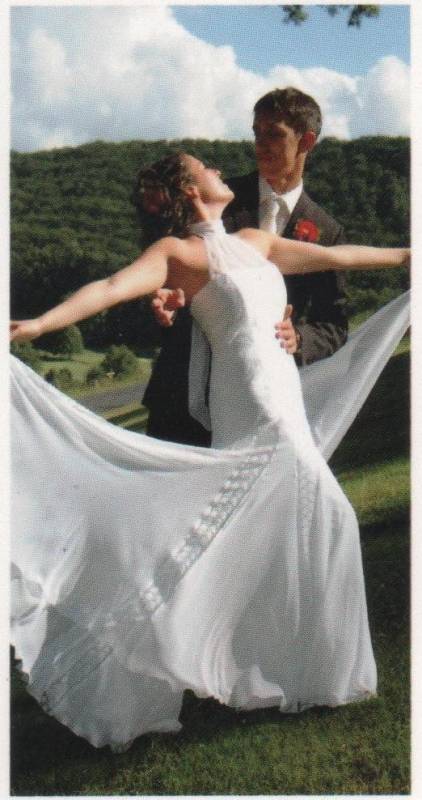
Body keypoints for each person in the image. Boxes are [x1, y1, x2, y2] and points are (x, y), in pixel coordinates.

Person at [10, 152, 410, 751]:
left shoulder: (254, 240)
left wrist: (407, 256)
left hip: (280, 388)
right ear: (189, 189)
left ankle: (284, 668)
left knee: (272, 527)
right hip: (251, 398)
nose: (221, 170)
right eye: (206, 167)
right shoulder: (178, 254)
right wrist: (40, 325)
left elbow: (336, 257)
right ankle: (304, 669)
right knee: (331, 516)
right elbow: (112, 287)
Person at [144, 87, 348, 445]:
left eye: (274, 134)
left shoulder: (326, 230)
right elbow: (164, 263)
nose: (260, 144)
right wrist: (165, 299)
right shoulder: (214, 198)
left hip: (263, 403)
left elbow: (333, 323)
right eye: (257, 133)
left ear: (307, 141)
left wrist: (300, 338)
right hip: (180, 400)